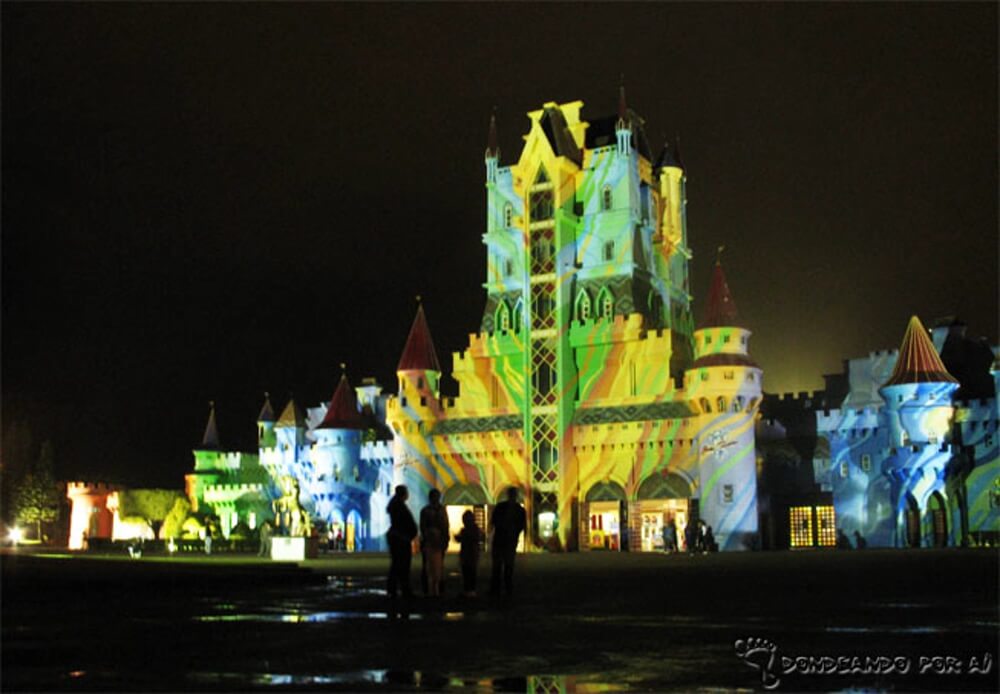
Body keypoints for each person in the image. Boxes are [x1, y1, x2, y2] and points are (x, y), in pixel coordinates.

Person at [489, 487, 526, 597]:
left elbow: (493, 522)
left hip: (502, 540)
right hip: (507, 541)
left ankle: (498, 590)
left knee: (500, 567)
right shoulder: (519, 510)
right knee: (506, 567)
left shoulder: (501, 507)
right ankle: (506, 589)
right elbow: (522, 526)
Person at [386, 485, 417, 599]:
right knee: (401, 564)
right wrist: (408, 534)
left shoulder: (397, 505)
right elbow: (404, 522)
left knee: (398, 564)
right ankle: (401, 589)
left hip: (400, 537)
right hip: (401, 538)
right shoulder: (399, 506)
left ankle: (396, 588)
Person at [420, 489, 450, 597]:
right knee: (430, 565)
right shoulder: (437, 510)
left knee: (436, 565)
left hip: (437, 541)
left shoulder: (434, 510)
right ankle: (432, 588)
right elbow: (445, 525)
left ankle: (436, 588)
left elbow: (445, 526)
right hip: (431, 541)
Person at [455, 510, 482, 597]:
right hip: (471, 554)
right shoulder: (475, 529)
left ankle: (469, 590)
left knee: (468, 572)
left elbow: (464, 539)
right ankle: (469, 590)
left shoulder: (467, 530)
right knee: (469, 571)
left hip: (468, 554)